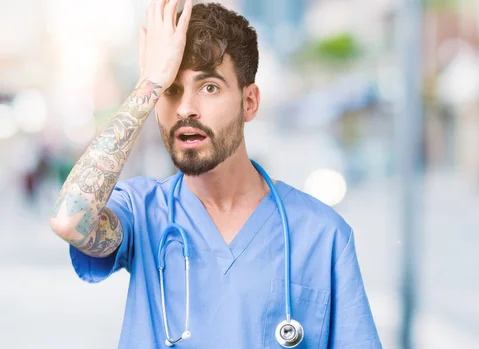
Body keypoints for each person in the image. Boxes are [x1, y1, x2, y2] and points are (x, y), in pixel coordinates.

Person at [49, 1, 382, 348]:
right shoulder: (142, 212)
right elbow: (69, 219)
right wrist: (148, 83)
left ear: (249, 102)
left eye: (209, 87)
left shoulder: (323, 236)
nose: (186, 108)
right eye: (171, 90)